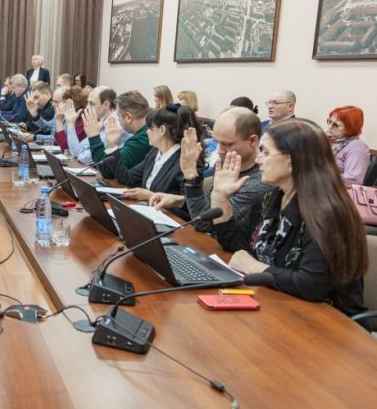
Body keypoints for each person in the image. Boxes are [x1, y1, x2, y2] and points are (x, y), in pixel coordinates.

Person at [211, 120, 367, 316]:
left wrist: (255, 267)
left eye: (266, 152)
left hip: (328, 320)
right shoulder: (272, 197)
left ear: (292, 160)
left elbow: (312, 284)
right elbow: (236, 245)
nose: (259, 159)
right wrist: (219, 196)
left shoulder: (328, 212)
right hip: (279, 305)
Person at [150, 107, 268, 248]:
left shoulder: (261, 181)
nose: (219, 150)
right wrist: (181, 201)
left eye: (227, 144)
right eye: (217, 142)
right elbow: (209, 209)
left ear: (253, 141)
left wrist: (191, 176)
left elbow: (204, 224)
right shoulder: (226, 162)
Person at [89, 105, 201, 206]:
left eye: (150, 128)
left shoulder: (187, 160)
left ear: (162, 130)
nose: (147, 132)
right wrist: (113, 145)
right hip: (145, 210)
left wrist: (151, 196)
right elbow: (127, 178)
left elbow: (188, 207)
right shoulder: (154, 153)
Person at [89, 91, 152, 179]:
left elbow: (107, 170)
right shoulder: (143, 133)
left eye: (118, 116)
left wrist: (94, 136)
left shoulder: (143, 138)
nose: (117, 120)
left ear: (128, 117)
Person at [71, 86, 130, 164]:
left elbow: (83, 158)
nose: (87, 107)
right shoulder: (100, 121)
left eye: (91, 104)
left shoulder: (116, 126)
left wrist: (70, 125)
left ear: (106, 105)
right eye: (87, 103)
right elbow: (77, 151)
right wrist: (70, 123)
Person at [326, 105, 370, 186]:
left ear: (350, 128)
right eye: (329, 121)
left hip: (335, 190)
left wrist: (321, 177)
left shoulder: (357, 147)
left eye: (336, 125)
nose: (329, 127)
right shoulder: (327, 140)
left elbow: (354, 179)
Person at [54, 86, 89, 155]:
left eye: (64, 102)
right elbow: (58, 141)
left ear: (74, 104)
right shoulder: (71, 118)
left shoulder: (82, 123)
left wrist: (59, 121)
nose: (59, 104)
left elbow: (65, 148)